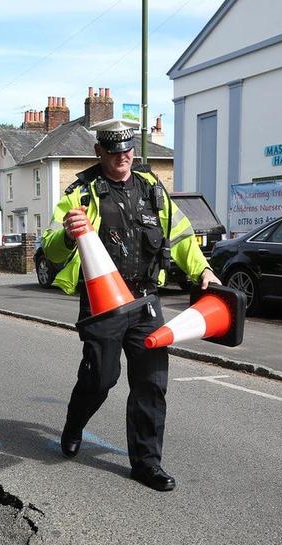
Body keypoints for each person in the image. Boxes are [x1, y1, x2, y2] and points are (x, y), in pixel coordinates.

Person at [41, 118, 221, 491]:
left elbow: (181, 233)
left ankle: (146, 463)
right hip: (103, 305)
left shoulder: (153, 188)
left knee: (151, 384)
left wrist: (203, 270)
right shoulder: (82, 193)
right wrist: (69, 234)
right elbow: (51, 246)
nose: (121, 157)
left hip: (145, 302)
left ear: (133, 152)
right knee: (100, 378)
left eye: (126, 150)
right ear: (99, 152)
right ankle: (74, 424)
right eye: (113, 151)